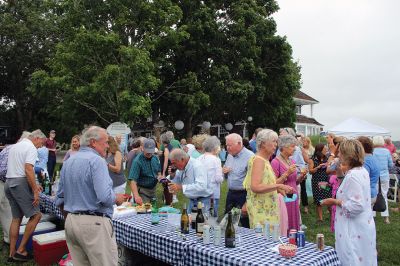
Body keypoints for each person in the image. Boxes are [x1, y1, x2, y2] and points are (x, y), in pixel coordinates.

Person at [55, 126, 125, 266]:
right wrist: (117, 198)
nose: (107, 145)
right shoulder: (97, 161)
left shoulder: (68, 162)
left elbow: (60, 198)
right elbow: (105, 197)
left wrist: (70, 218)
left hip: (71, 222)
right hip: (94, 224)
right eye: (105, 142)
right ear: (93, 142)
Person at [322, 139, 377, 266]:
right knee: (364, 257)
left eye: (340, 153)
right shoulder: (361, 171)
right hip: (363, 225)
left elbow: (357, 205)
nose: (338, 155)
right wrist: (340, 174)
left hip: (352, 229)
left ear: (348, 155)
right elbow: (348, 190)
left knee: (352, 258)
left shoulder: (353, 175)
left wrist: (334, 201)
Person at [5, 130, 47, 262]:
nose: (41, 146)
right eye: (42, 142)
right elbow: (28, 169)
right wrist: (35, 190)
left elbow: (19, 167)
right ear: (37, 138)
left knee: (16, 218)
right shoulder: (30, 147)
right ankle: (21, 250)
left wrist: (34, 185)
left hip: (9, 182)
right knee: (36, 215)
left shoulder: (15, 145)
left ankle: (11, 254)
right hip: (19, 183)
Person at [243, 129, 293, 232]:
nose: (276, 144)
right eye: (274, 141)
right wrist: (278, 186)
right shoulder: (259, 160)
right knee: (264, 243)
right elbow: (255, 187)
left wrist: (279, 190)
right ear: (263, 144)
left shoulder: (264, 160)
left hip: (267, 208)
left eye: (276, 141)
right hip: (261, 211)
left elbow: (266, 184)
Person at [0, 131, 30, 252]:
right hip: (6, 181)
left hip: (5, 181)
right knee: (8, 212)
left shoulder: (8, 148)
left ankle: (7, 237)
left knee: (5, 212)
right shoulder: (19, 150)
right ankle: (8, 239)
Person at [271, 135, 306, 232]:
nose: (294, 149)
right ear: (283, 147)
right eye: (292, 146)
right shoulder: (275, 162)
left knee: (293, 219)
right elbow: (273, 184)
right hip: (283, 196)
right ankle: (286, 242)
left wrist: (302, 176)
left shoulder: (292, 161)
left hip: (293, 195)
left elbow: (294, 181)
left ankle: (293, 242)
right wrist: (287, 173)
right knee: (286, 219)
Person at [223, 133, 254, 227]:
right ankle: (230, 240)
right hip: (231, 193)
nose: (227, 148)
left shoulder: (250, 157)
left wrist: (247, 202)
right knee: (228, 222)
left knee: (245, 222)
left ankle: (248, 241)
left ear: (239, 143)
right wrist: (224, 172)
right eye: (226, 145)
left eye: (230, 145)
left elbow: (253, 182)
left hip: (243, 194)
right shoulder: (230, 155)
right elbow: (226, 171)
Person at [168, 149, 213, 213]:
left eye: (174, 163)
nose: (173, 166)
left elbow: (201, 186)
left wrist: (181, 187)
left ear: (182, 159)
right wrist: (173, 175)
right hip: (192, 201)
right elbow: (178, 181)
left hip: (203, 201)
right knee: (189, 221)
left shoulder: (197, 166)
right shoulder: (182, 167)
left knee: (201, 222)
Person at [128, 138, 162, 205]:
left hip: (153, 190)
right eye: (147, 151)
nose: (149, 153)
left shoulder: (155, 158)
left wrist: (159, 176)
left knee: (153, 211)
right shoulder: (137, 161)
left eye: (151, 151)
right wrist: (136, 196)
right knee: (145, 211)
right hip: (142, 191)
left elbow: (158, 171)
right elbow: (132, 181)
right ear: (142, 148)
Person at [198, 136, 224, 217]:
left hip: (200, 191)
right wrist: (223, 174)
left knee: (201, 213)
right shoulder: (216, 160)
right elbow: (218, 178)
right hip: (213, 192)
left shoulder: (199, 158)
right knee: (212, 217)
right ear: (215, 147)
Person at [372, 136, 393, 224]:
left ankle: (372, 216)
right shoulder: (387, 151)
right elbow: (390, 165)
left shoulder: (372, 152)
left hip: (374, 176)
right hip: (384, 176)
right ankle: (386, 217)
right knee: (384, 195)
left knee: (373, 195)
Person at [309, 143, 331, 223]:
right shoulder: (312, 159)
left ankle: (332, 217)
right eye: (325, 149)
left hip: (325, 181)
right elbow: (310, 171)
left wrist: (328, 165)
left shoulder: (326, 158)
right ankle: (320, 219)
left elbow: (329, 169)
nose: (326, 151)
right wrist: (318, 167)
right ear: (320, 150)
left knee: (328, 197)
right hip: (317, 182)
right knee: (319, 200)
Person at [357, 137, 380, 207]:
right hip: (372, 191)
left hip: (366, 194)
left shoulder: (365, 161)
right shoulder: (373, 158)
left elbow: (362, 179)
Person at [301, 136, 314, 214]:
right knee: (303, 187)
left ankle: (316, 201)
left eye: (305, 141)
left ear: (308, 142)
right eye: (303, 141)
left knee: (310, 185)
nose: (303, 142)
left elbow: (311, 160)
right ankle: (304, 206)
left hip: (309, 168)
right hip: (302, 168)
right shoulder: (299, 149)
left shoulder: (312, 149)